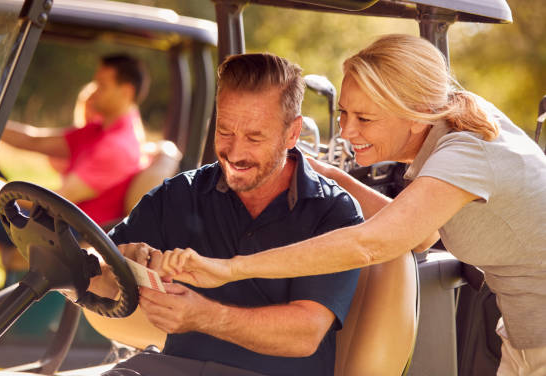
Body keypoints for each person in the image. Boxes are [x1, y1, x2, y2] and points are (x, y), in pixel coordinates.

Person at [159, 34, 546, 376]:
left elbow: (370, 243)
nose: (346, 131)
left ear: (414, 114)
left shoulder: (466, 152)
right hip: (521, 338)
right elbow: (423, 235)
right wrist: (334, 175)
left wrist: (230, 269)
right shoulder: (449, 118)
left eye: (365, 117)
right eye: (344, 112)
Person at [86, 53, 363, 376]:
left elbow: (305, 333)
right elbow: (95, 266)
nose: (234, 152)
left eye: (254, 137)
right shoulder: (179, 195)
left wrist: (204, 316)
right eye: (225, 131)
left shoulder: (333, 213)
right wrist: (119, 264)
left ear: (292, 133)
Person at [0, 53, 150, 327]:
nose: (94, 91)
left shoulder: (117, 146)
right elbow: (32, 140)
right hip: (63, 222)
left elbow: (59, 200)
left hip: (74, 233)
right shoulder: (98, 132)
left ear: (126, 91)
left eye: (102, 84)